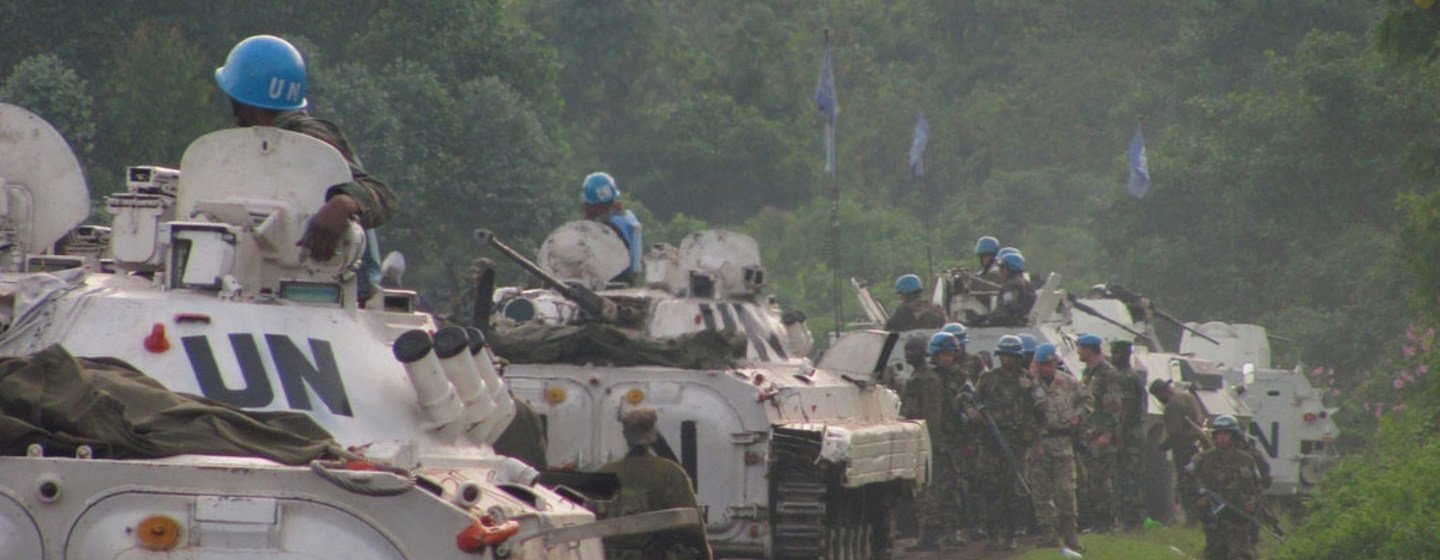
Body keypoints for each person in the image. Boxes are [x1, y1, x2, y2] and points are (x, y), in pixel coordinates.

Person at [214, 35, 397, 303]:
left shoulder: (310, 139)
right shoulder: (255, 146)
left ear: (243, 100)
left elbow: (382, 195)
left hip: (337, 288)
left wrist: (342, 203)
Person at [597, 408, 711, 560]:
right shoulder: (670, 472)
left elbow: (592, 519)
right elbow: (691, 525)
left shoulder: (606, 472)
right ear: (653, 435)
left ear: (625, 436)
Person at [964, 334, 1044, 551]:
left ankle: (1010, 535)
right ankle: (993, 535)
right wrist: (974, 415)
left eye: (1011, 356)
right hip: (991, 442)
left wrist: (1036, 440)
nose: (1007, 360)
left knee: (1013, 491)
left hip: (1017, 444)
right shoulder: (988, 379)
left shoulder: (1028, 381)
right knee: (990, 489)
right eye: (1004, 356)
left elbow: (1039, 410)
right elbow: (970, 401)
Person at [902, 332, 964, 550]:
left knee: (931, 489)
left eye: (913, 350)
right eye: (907, 349)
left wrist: (932, 443)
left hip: (930, 441)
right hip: (928, 439)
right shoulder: (925, 376)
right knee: (936, 488)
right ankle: (940, 533)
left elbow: (932, 413)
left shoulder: (927, 378)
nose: (908, 354)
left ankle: (932, 535)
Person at [1028, 343, 1090, 551]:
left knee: (1065, 490)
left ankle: (1071, 535)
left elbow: (1087, 400)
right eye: (1042, 364)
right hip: (1038, 443)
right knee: (1041, 493)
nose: (1046, 368)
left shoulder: (1067, 383)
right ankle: (1048, 535)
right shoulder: (1029, 385)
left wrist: (1078, 416)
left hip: (1062, 443)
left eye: (1050, 363)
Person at [1192, 415, 1263, 560]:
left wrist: (1253, 503)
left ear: (1234, 436)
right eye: (1219, 434)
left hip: (1239, 515)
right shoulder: (1202, 459)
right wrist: (1198, 498)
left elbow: (1257, 486)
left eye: (1226, 434)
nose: (1222, 438)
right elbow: (1188, 481)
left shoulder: (1246, 459)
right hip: (1213, 516)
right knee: (1216, 552)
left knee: (1242, 553)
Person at [1076, 334, 1121, 532]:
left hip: (1101, 435)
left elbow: (1113, 406)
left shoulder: (1107, 373)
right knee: (1092, 480)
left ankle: (1107, 523)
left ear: (1089, 349)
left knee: (1101, 480)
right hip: (1090, 433)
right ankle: (1098, 523)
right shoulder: (1089, 372)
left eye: (1080, 348)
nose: (1077, 351)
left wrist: (1107, 434)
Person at [1151, 378, 1207, 525]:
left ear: (1162, 392)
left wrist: (1162, 447)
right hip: (1198, 447)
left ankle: (1192, 519)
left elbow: (1176, 433)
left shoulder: (1172, 406)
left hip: (1184, 451)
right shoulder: (1188, 397)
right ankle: (1201, 517)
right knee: (1198, 483)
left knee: (1186, 486)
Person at [1110, 340, 1148, 529]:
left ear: (1125, 355)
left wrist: (1120, 438)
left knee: (1131, 477)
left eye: (1116, 353)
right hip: (1130, 433)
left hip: (1130, 435)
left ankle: (1133, 520)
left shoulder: (1127, 378)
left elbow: (1127, 411)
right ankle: (1127, 518)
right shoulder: (1125, 376)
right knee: (1124, 477)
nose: (1113, 357)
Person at [582, 171, 644, 283]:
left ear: (594, 206)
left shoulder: (608, 228)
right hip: (628, 280)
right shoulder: (626, 217)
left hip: (615, 280)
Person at [983, 253, 1035, 327]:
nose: (999, 272)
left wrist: (987, 319)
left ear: (1010, 269)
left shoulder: (1011, 286)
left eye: (1002, 268)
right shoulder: (1026, 283)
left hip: (1010, 327)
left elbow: (1009, 312)